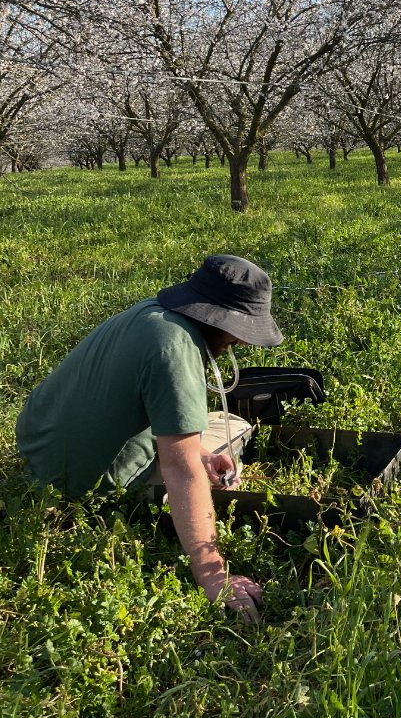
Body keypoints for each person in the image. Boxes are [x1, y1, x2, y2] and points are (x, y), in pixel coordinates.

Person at [15, 254, 283, 621]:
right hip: (83, 479)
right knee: (232, 424)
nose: (239, 343)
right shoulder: (178, 349)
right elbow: (181, 467)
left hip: (37, 445)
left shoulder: (152, 313)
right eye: (240, 333)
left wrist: (203, 454)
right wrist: (212, 575)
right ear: (222, 320)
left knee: (198, 438)